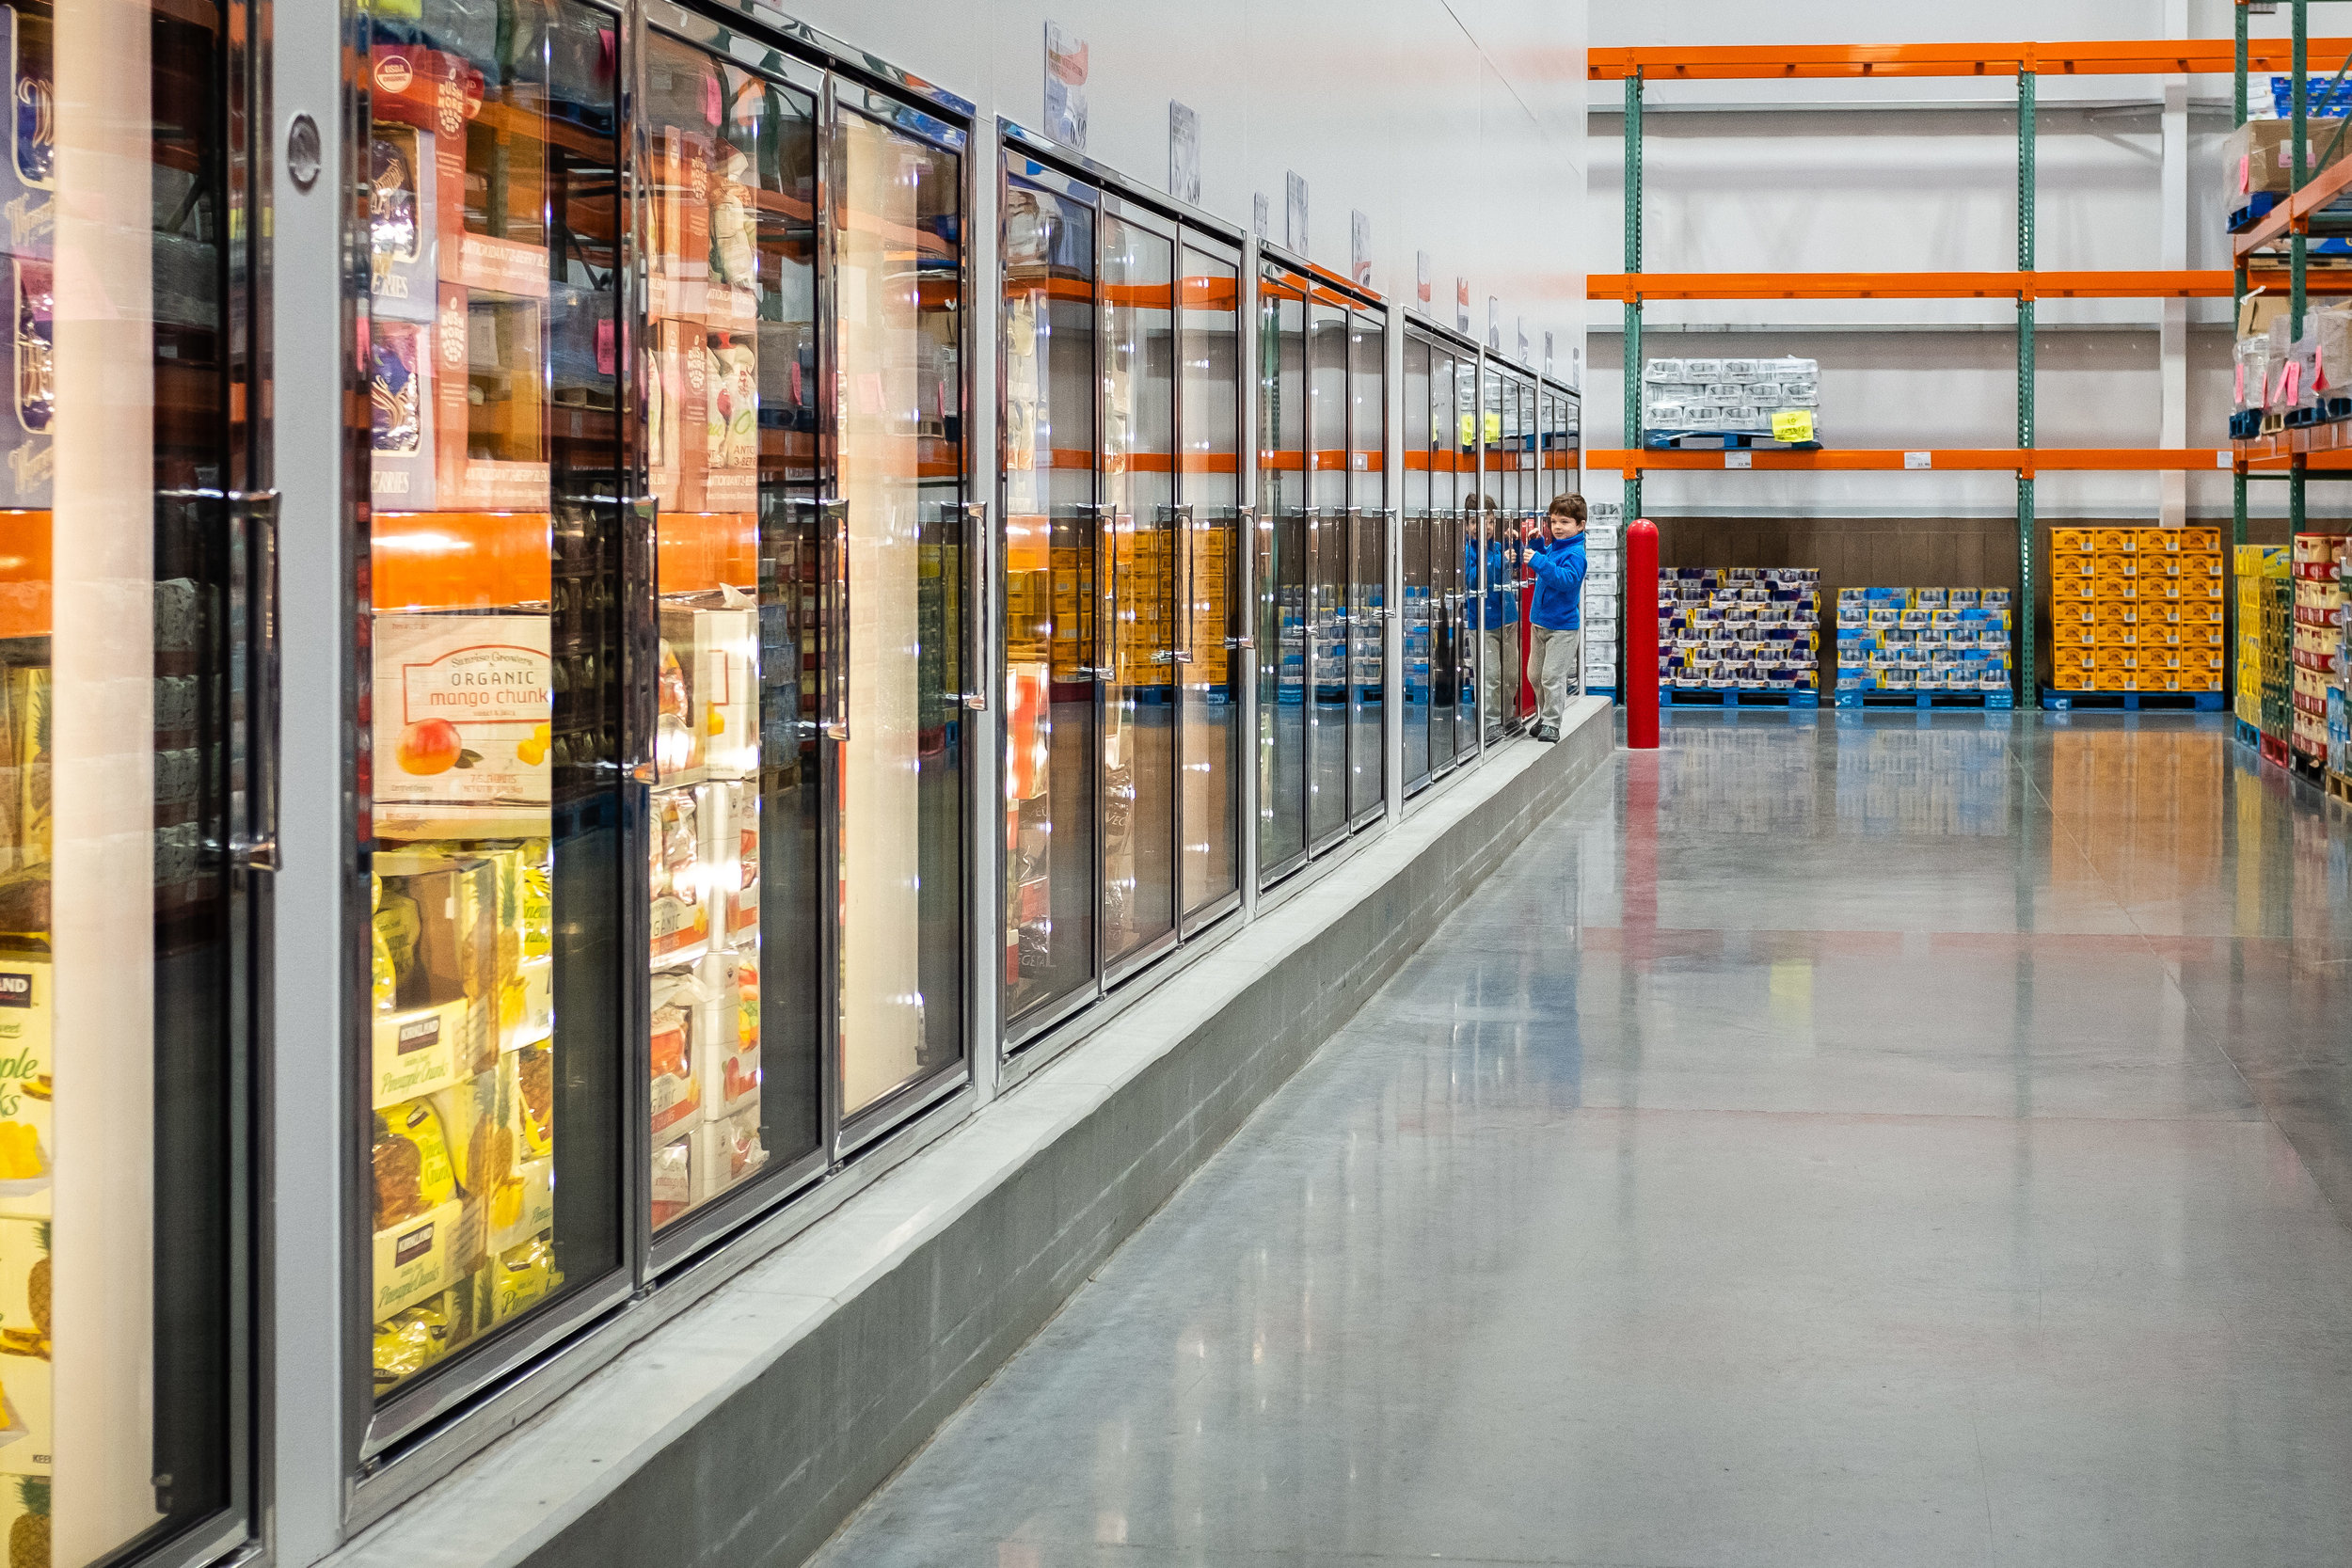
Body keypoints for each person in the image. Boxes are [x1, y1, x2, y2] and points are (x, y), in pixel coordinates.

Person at [1524, 494, 1588, 742]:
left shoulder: (1576, 554)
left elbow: (1566, 580)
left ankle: (1552, 722)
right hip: (1539, 623)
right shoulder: (1556, 547)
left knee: (1552, 676)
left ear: (1580, 525)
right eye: (1553, 522)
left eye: (1564, 522)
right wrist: (1539, 546)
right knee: (1535, 675)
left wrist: (1539, 560)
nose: (1557, 527)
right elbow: (1547, 562)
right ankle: (1545, 715)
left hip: (1562, 629)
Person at [1464, 495, 1519, 744]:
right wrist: (1502, 560)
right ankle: (1490, 722)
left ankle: (1508, 717)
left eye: (1487, 521)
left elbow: (1511, 567)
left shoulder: (1498, 548)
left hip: (1508, 621)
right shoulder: (1469, 552)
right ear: (1466, 525)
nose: (1482, 528)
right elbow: (1475, 578)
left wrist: (1516, 546)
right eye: (1475, 522)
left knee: (1510, 675)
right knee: (1490, 675)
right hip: (1483, 623)